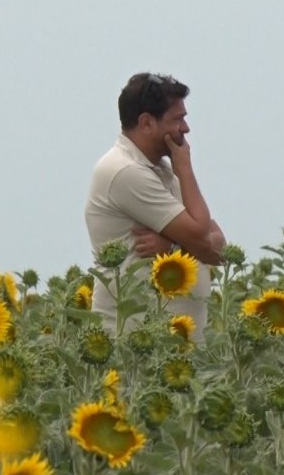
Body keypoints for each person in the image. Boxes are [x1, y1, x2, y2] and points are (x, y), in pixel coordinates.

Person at [84, 72, 225, 339]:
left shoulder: (159, 171)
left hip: (170, 348)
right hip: (138, 346)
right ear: (147, 123)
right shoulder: (126, 171)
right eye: (178, 119)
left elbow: (220, 248)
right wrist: (185, 167)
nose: (186, 128)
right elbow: (202, 237)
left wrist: (172, 248)